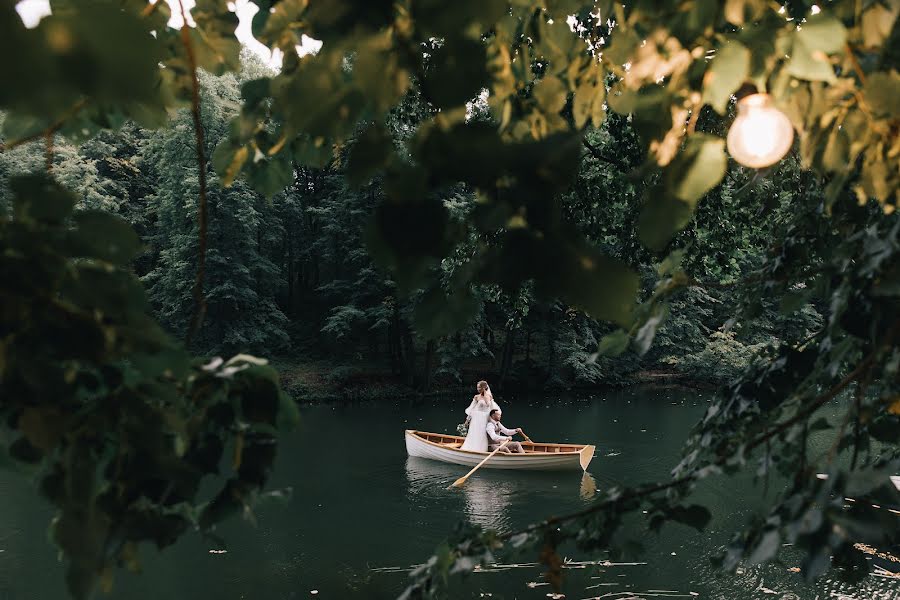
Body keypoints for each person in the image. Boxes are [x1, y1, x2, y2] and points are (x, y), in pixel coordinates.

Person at [460, 380, 499, 452]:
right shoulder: (476, 397)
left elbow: (491, 408)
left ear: (484, 388)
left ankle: (481, 450)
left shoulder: (489, 397)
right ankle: (470, 449)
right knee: (473, 433)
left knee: (482, 434)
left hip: (484, 419)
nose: (478, 389)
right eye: (477, 388)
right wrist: (467, 420)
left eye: (479, 388)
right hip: (476, 419)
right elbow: (472, 409)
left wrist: (487, 398)